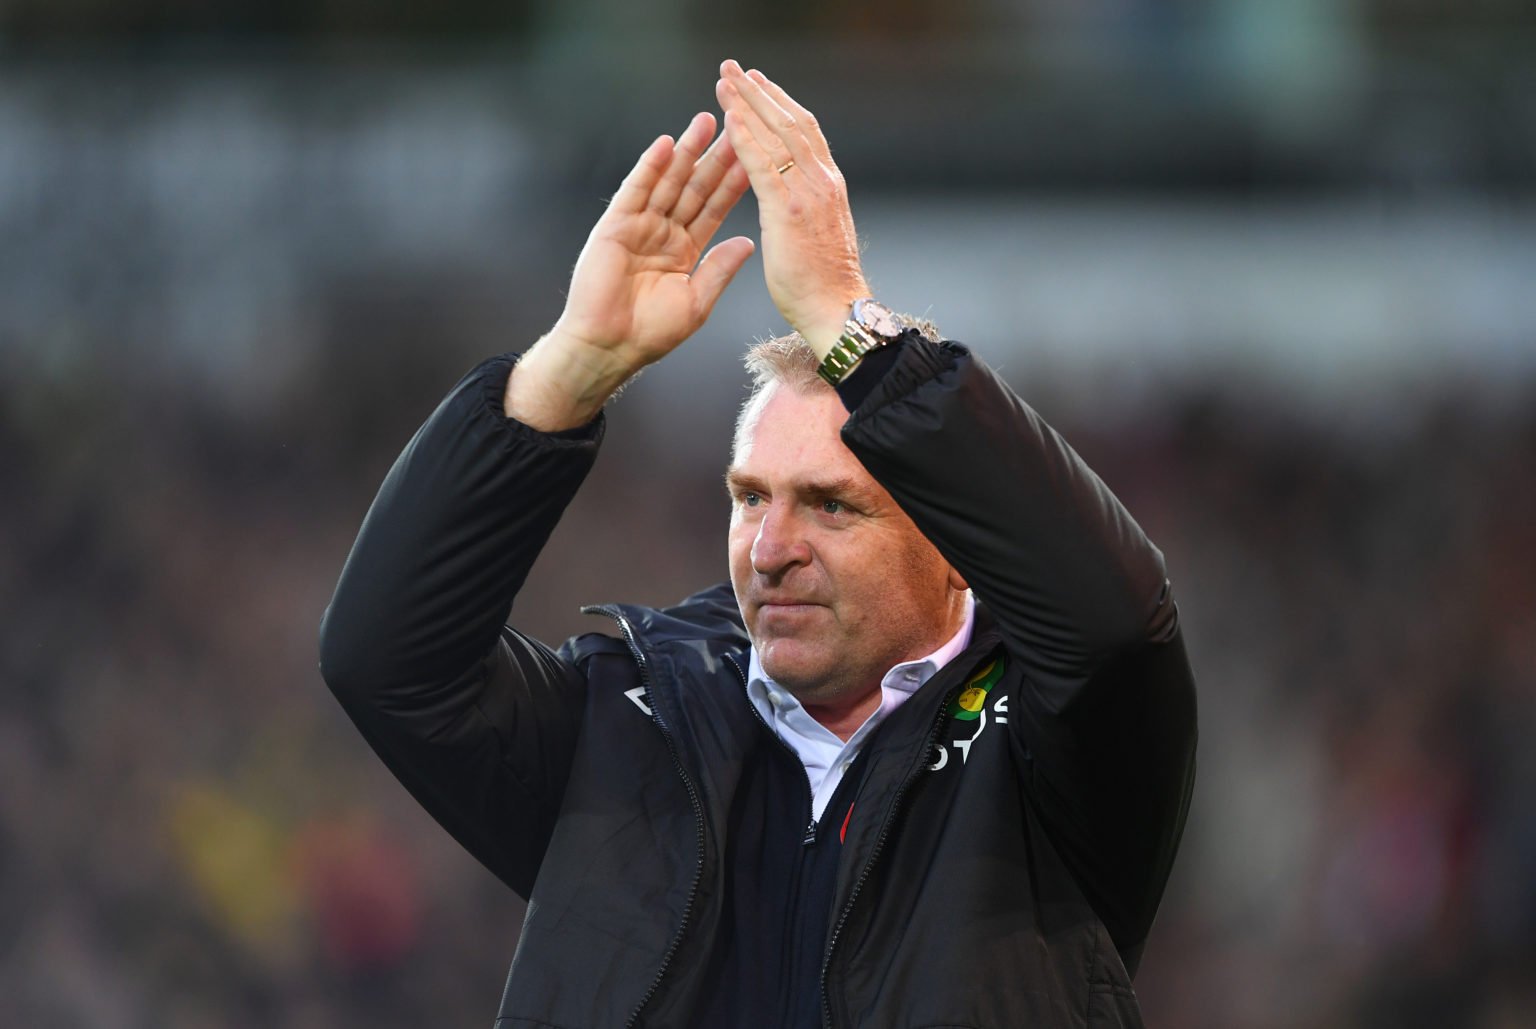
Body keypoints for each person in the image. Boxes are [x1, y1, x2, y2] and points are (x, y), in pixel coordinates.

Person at [320, 59, 1197, 1028]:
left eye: (831, 506)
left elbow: (1117, 626)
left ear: (957, 545)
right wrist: (569, 369)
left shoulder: (1052, 755)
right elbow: (388, 660)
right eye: (749, 498)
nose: (771, 546)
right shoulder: (625, 733)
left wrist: (847, 327)